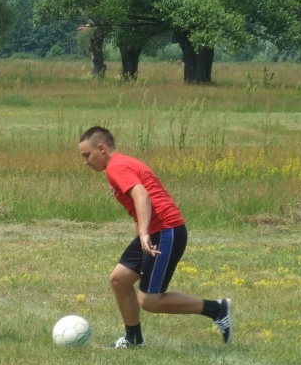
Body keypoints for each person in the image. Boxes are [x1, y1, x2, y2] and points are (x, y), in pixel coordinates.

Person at [78, 126, 233, 348]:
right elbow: (138, 205)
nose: (85, 161)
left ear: (101, 148)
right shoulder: (121, 164)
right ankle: (133, 339)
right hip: (157, 231)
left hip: (166, 231)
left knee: (150, 301)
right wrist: (141, 235)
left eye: (87, 155)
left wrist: (144, 234)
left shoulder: (116, 167)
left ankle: (216, 309)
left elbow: (142, 195)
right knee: (119, 280)